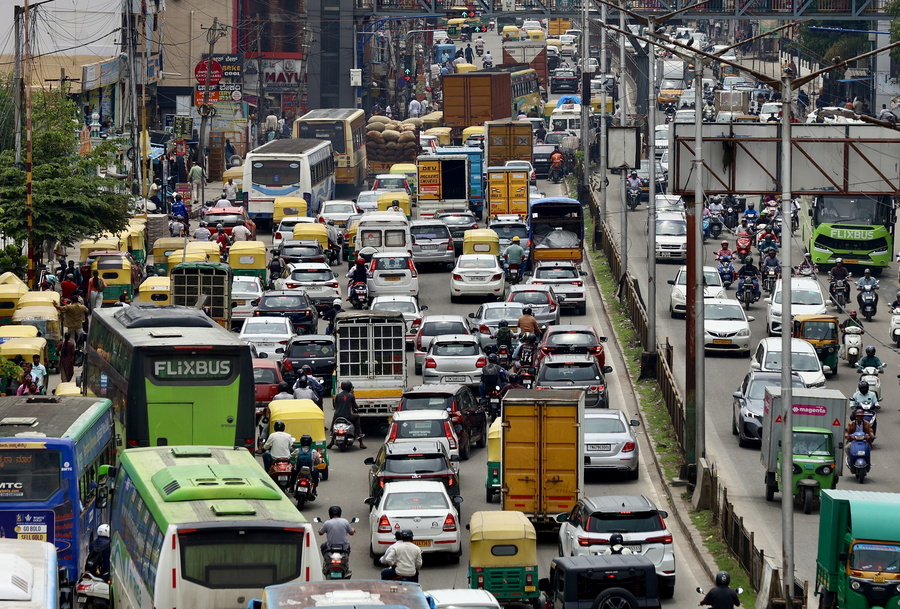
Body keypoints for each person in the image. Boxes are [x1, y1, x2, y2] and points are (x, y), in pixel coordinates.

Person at [330, 381, 366, 449]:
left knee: (334, 420)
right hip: (348, 417)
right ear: (349, 388)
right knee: (357, 417)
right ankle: (359, 438)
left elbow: (335, 406)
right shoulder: (351, 396)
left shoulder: (337, 396)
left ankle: (332, 437)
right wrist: (358, 406)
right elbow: (355, 406)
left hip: (337, 416)